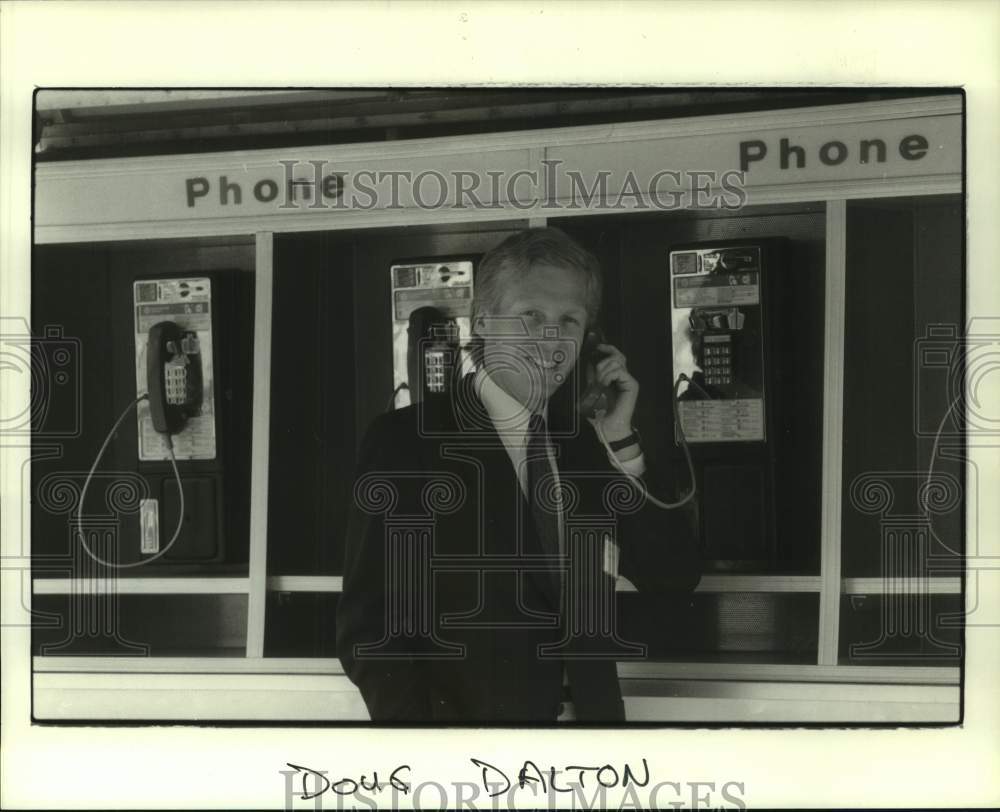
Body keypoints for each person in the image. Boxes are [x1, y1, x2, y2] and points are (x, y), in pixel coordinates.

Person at [337, 227, 700, 722]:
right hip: (474, 759)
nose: (551, 339)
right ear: (482, 320)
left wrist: (620, 440)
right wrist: (428, 753)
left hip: (590, 751)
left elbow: (671, 576)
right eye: (531, 315)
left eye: (569, 320)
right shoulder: (409, 442)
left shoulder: (584, 445)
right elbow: (371, 630)